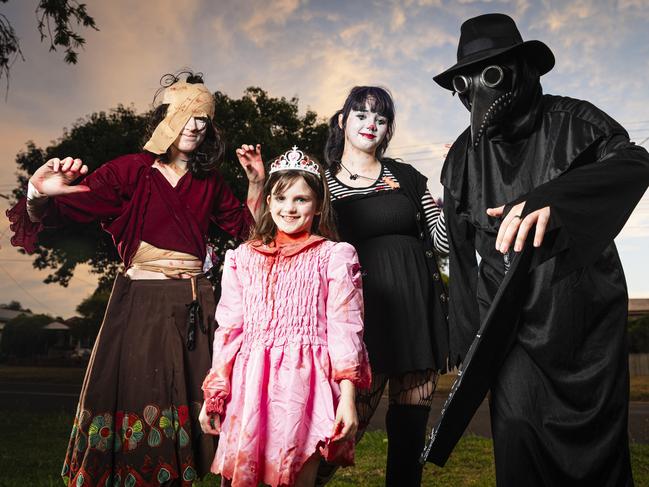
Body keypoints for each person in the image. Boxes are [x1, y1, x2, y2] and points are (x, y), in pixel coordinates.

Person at [6, 72, 265, 486]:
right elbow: (67, 207)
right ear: (165, 117)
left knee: (206, 410)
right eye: (186, 114)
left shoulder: (210, 182)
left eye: (204, 118)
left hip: (197, 306)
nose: (195, 126)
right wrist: (40, 194)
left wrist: (255, 182)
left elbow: (252, 235)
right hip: (142, 304)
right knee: (145, 402)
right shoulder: (131, 170)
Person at [430, 13, 649, 485]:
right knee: (518, 435)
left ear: (522, 68)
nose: (478, 91)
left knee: (597, 458)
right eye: (466, 82)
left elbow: (634, 163)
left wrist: (555, 198)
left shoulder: (575, 122)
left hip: (581, 323)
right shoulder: (462, 158)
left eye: (492, 72)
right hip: (510, 330)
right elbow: (461, 255)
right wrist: (468, 340)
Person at [198, 146, 371, 487]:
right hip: (249, 384)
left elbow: (346, 330)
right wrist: (214, 396)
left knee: (296, 475)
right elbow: (229, 331)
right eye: (280, 198)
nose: (288, 208)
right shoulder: (242, 258)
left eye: (301, 199)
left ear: (318, 205)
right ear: (268, 201)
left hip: (305, 384)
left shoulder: (334, 256)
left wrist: (347, 399)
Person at [318, 86, 449, 486]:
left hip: (415, 313)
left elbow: (442, 241)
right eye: (361, 115)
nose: (371, 124)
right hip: (359, 320)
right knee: (340, 429)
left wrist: (454, 197)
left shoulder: (406, 176)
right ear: (343, 121)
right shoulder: (321, 182)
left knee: (409, 438)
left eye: (380, 118)